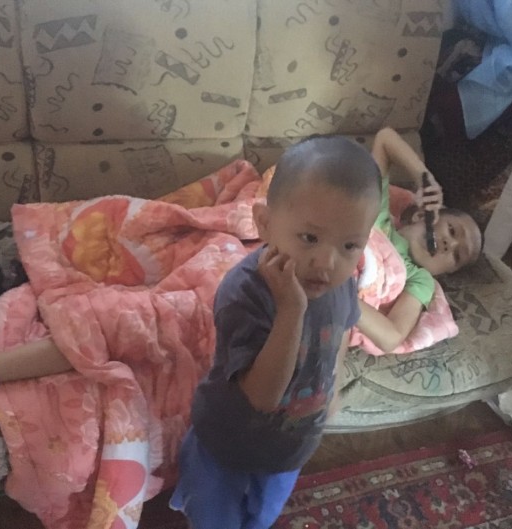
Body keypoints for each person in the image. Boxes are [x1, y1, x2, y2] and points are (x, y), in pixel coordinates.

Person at [168, 135, 382, 529]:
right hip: (225, 444)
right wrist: (291, 311)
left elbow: (342, 330)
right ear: (265, 224)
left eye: (350, 245)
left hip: (290, 448)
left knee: (262, 518)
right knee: (215, 521)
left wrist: (334, 387)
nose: (326, 262)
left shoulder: (341, 283)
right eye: (310, 238)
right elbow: (260, 397)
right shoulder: (244, 292)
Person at [356, 127, 482, 353]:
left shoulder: (420, 280)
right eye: (452, 230)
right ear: (422, 215)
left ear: (443, 273)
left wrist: (339, 296)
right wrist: (424, 179)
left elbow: (391, 337)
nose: (450, 244)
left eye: (457, 255)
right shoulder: (377, 215)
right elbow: (385, 139)